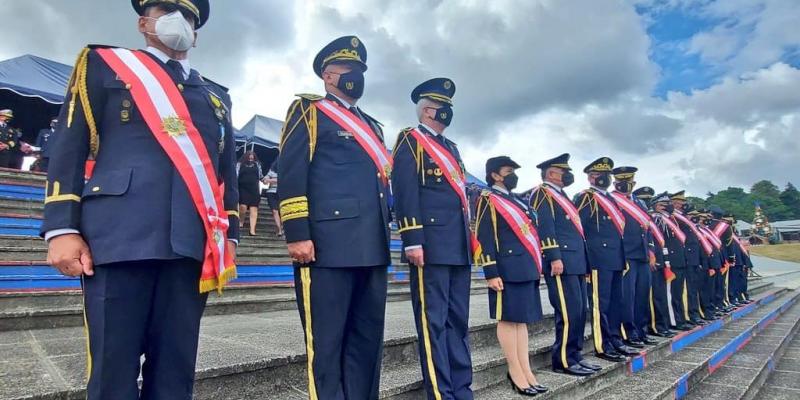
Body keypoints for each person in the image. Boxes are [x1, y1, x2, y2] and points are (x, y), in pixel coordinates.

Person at [40, 1, 239, 399]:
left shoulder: (215, 95)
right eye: (166, 10)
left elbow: (225, 173)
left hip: (189, 244)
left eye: (188, 17)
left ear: (195, 34)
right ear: (143, 22)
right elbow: (69, 144)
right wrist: (61, 226)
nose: (178, 22)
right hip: (117, 238)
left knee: (175, 373)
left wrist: (229, 235)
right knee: (112, 373)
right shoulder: (103, 64)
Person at [278, 35, 392, 400]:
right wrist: (297, 233)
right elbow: (292, 171)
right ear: (328, 76)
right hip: (327, 247)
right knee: (326, 345)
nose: (355, 76)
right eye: (347, 70)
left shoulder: (373, 126)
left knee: (366, 342)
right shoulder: (309, 111)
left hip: (371, 246)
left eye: (359, 70)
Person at [392, 77, 475, 399]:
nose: (446, 113)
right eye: (442, 108)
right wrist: (412, 238)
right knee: (434, 323)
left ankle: (462, 388)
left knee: (458, 321)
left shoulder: (451, 148)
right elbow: (405, 189)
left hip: (457, 245)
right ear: (427, 111)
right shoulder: (410, 139)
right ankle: (440, 392)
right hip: (430, 245)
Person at [475, 156, 548, 397]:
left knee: (522, 321)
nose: (512, 175)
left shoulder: (518, 201)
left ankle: (526, 370)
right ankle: (515, 371)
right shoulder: (488, 199)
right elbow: (484, 236)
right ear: (495, 175)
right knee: (507, 319)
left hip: (525, 267)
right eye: (508, 171)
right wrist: (491, 271)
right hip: (505, 269)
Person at [529, 153, 599, 376]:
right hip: (562, 261)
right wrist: (554, 256)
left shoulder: (563, 195)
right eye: (563, 171)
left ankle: (575, 354)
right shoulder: (543, 193)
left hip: (576, 260)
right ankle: (563, 360)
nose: (568, 175)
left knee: (580, 311)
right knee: (568, 313)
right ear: (551, 173)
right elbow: (545, 226)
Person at [576, 157, 638, 361]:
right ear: (590, 177)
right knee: (600, 304)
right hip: (598, 259)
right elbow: (580, 229)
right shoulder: (586, 197)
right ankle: (602, 345)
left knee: (615, 302)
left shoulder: (612, 199)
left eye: (606, 175)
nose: (603, 178)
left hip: (616, 257)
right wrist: (585, 259)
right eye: (598, 175)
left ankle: (615, 339)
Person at [609, 166, 658, 347]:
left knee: (641, 295)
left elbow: (648, 229)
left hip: (642, 254)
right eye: (622, 182)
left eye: (629, 182)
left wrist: (651, 251)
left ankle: (641, 331)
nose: (626, 185)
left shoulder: (639, 203)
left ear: (634, 183)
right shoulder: (611, 200)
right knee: (627, 297)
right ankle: (628, 333)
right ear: (615, 183)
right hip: (626, 254)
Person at [634, 188, 675, 338]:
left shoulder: (652, 219)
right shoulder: (652, 218)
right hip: (651, 259)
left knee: (660, 296)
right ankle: (655, 326)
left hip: (659, 259)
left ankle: (661, 325)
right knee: (653, 297)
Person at [670, 192, 707, 327]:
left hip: (692, 259)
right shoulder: (674, 218)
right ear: (673, 202)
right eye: (678, 202)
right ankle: (687, 316)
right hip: (683, 258)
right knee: (684, 291)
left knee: (692, 290)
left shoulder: (683, 219)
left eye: (682, 202)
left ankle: (693, 314)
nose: (681, 204)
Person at [237, 151, 264, 236]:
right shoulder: (239, 164)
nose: (251, 158)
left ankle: (252, 230)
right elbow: (235, 175)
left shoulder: (257, 165)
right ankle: (241, 221)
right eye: (249, 157)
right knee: (243, 207)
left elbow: (260, 176)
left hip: (254, 190)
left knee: (254, 209)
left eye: (252, 157)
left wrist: (266, 180)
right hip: (243, 189)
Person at [264, 161, 282, 236]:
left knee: (281, 212)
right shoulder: (271, 171)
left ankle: (280, 228)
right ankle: (279, 229)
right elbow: (265, 180)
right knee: (275, 211)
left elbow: (282, 180)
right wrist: (272, 180)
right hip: (271, 192)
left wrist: (271, 180)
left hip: (282, 193)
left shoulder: (286, 170)